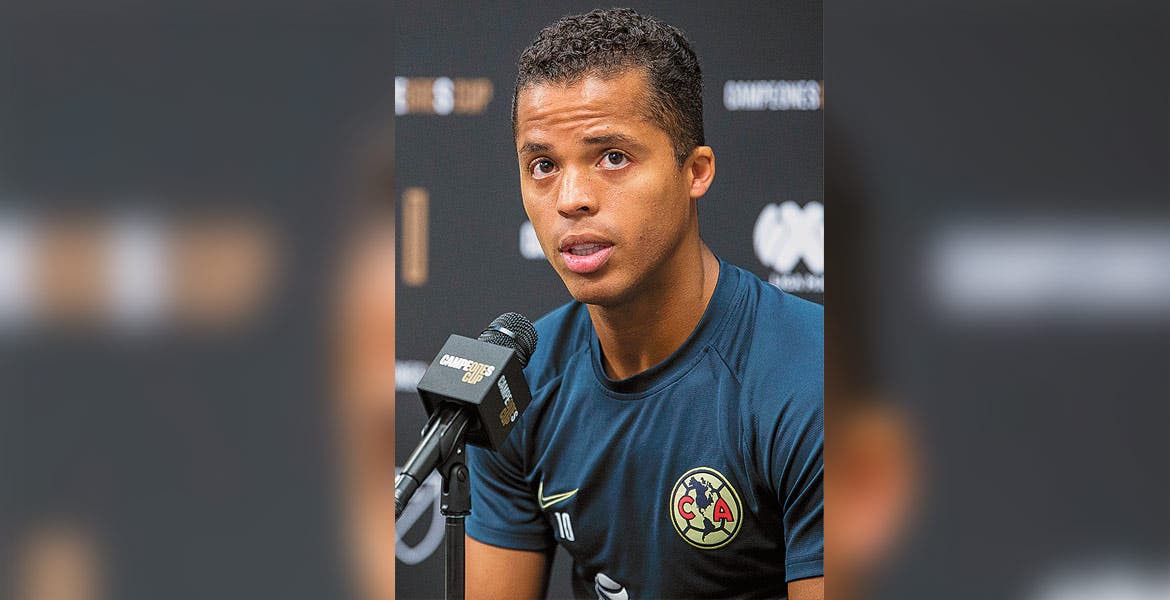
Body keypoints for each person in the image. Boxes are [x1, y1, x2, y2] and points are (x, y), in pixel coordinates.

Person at [465, 8, 823, 599]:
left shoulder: (809, 381)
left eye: (612, 157)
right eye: (543, 166)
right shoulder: (514, 387)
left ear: (695, 171)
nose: (571, 199)